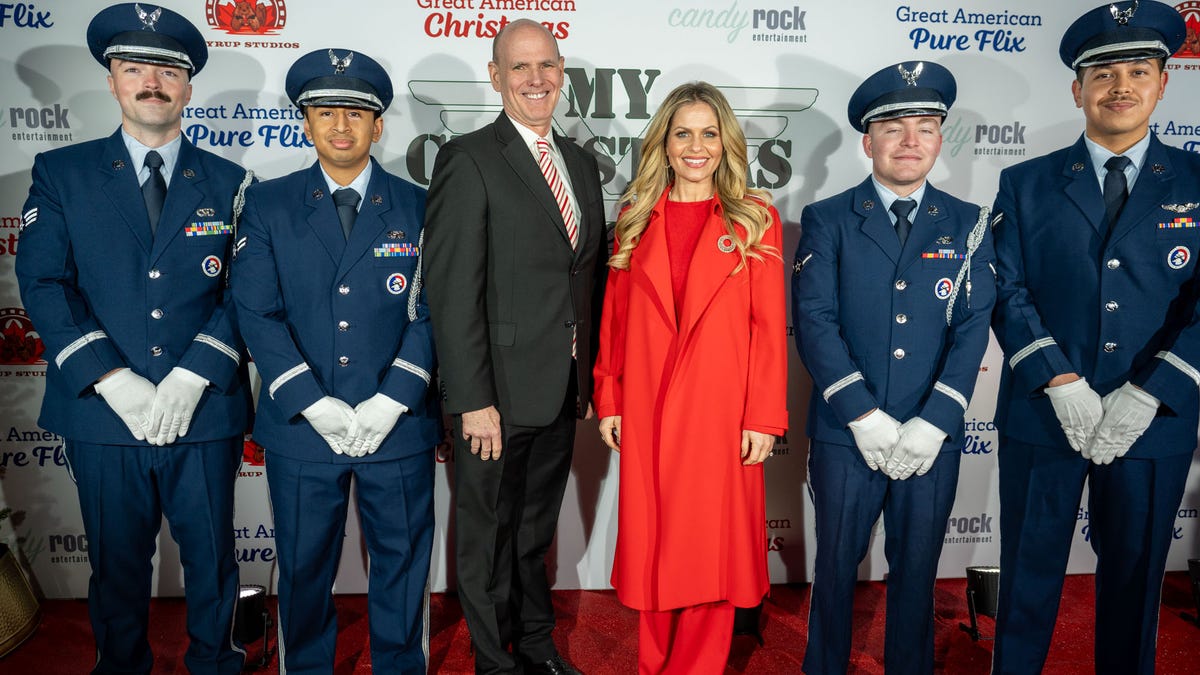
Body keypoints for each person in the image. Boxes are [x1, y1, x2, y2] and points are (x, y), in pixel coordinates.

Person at [14, 4, 251, 673]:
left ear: (188, 87)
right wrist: (114, 379)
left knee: (213, 560)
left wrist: (190, 374)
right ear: (114, 81)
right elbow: (44, 282)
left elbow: (247, 293)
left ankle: (217, 662)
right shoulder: (63, 174)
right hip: (101, 412)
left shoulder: (233, 183)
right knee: (115, 565)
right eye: (135, 67)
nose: (153, 80)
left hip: (202, 411)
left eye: (168, 69)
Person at [990, 3, 1199, 673]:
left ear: (1164, 83)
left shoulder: (1198, 182)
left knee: (1136, 584)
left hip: (1154, 420)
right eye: (1103, 74)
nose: (1121, 87)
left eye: (1139, 70)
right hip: (1043, 415)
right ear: (1077, 89)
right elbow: (1005, 288)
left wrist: (1152, 390)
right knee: (1027, 577)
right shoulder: (1024, 184)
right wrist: (1057, 376)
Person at [230, 49, 440, 673]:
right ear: (306, 123)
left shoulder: (422, 205)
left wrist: (392, 398)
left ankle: (401, 664)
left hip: (397, 424)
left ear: (380, 126)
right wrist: (311, 401)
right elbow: (256, 313)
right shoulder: (268, 204)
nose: (341, 124)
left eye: (357, 112)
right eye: (325, 112)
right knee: (301, 564)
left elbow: (435, 312)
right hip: (302, 426)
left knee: (402, 563)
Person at [791, 61, 995, 674]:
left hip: (933, 435)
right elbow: (816, 321)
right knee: (835, 567)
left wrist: (934, 422)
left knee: (918, 568)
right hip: (846, 435)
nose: (910, 142)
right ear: (867, 140)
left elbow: (972, 328)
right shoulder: (828, 218)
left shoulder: (971, 223)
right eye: (894, 128)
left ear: (940, 139)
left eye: (926, 127)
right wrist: (863, 417)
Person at [422, 19, 607, 675]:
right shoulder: (468, 158)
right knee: (486, 534)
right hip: (493, 394)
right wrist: (471, 399)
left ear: (562, 74)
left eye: (547, 66)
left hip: (560, 388)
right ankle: (493, 659)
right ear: (496, 75)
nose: (537, 79)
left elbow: (587, 278)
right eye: (520, 67)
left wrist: (589, 379)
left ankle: (534, 642)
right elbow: (450, 291)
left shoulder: (581, 163)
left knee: (533, 531)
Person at [591, 81, 787, 674]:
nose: (696, 147)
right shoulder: (634, 216)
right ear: (664, 144)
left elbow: (769, 330)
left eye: (709, 133)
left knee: (712, 550)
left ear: (727, 144)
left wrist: (763, 416)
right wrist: (610, 396)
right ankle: (655, 667)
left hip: (720, 414)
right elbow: (615, 323)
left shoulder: (756, 219)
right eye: (683, 133)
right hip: (648, 409)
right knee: (655, 547)